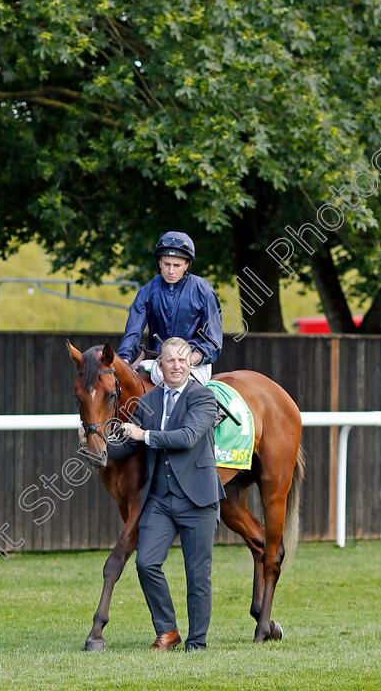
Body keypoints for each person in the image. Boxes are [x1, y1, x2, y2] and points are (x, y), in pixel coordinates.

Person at [107, 337, 225, 651]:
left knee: (197, 575)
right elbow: (128, 445)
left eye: (183, 360)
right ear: (159, 366)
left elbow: (186, 438)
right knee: (146, 563)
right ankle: (168, 632)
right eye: (170, 360)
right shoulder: (148, 401)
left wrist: (143, 434)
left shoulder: (203, 398)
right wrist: (97, 443)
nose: (176, 365)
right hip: (159, 499)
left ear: (191, 365)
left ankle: (196, 642)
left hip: (198, 498)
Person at [117, 231, 222, 385]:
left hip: (194, 365)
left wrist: (191, 358)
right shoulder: (148, 290)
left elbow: (213, 341)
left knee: (176, 382)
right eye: (166, 264)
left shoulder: (203, 290)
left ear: (187, 265)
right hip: (158, 363)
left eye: (177, 265)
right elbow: (133, 331)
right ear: (159, 262)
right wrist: (124, 359)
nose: (171, 271)